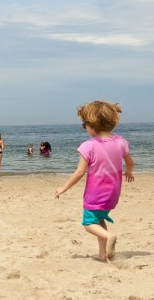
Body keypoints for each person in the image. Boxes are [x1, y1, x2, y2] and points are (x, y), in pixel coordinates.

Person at [55, 100, 135, 262]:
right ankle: (102, 254)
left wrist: (63, 188)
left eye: (85, 125)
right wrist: (129, 172)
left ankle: (109, 235)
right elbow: (130, 162)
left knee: (88, 223)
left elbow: (79, 173)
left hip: (96, 193)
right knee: (99, 219)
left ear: (91, 125)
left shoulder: (88, 146)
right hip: (113, 193)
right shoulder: (120, 141)